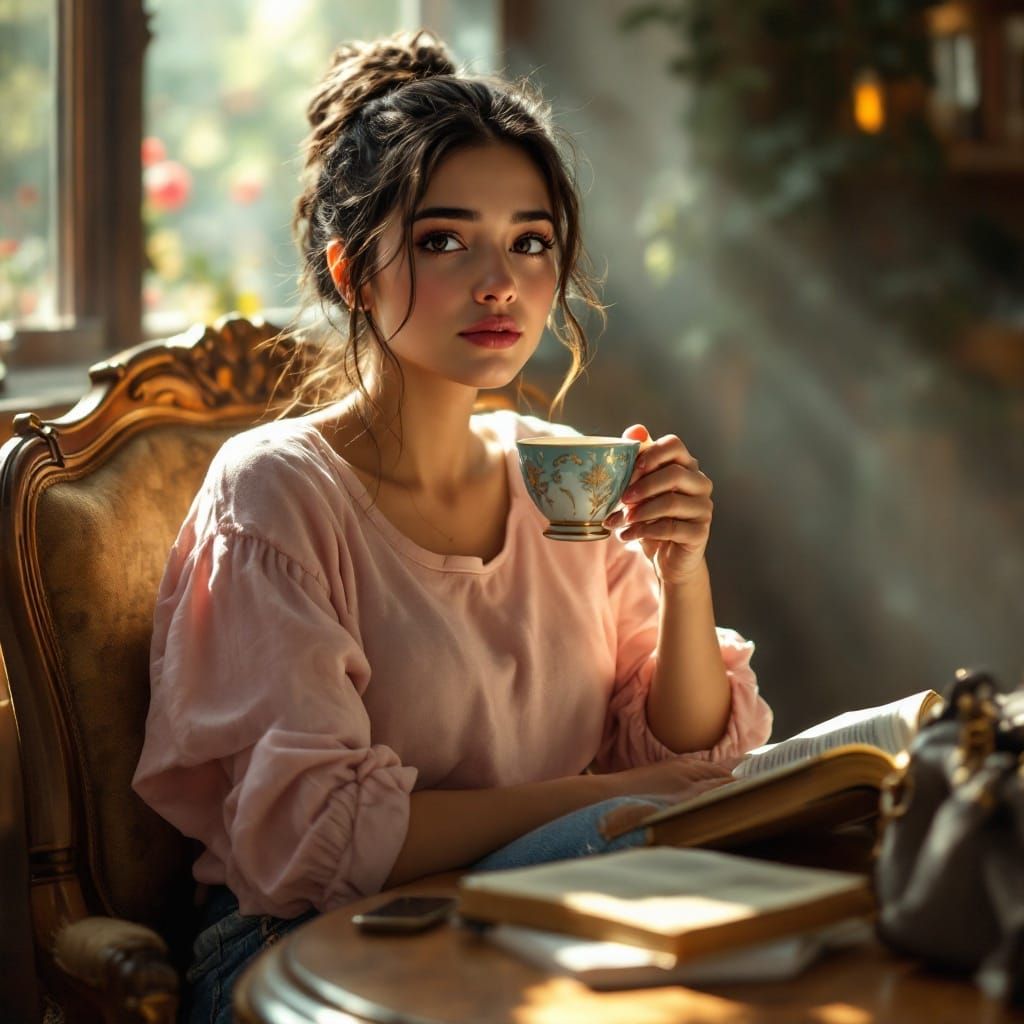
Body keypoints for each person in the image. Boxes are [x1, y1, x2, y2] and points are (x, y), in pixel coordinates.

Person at [132, 29, 773, 1024]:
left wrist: (681, 571)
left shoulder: (563, 475)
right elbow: (324, 837)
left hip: (539, 920)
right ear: (352, 272)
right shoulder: (275, 494)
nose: (498, 283)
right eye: (444, 241)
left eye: (529, 241)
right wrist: (617, 805)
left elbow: (688, 745)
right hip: (304, 953)